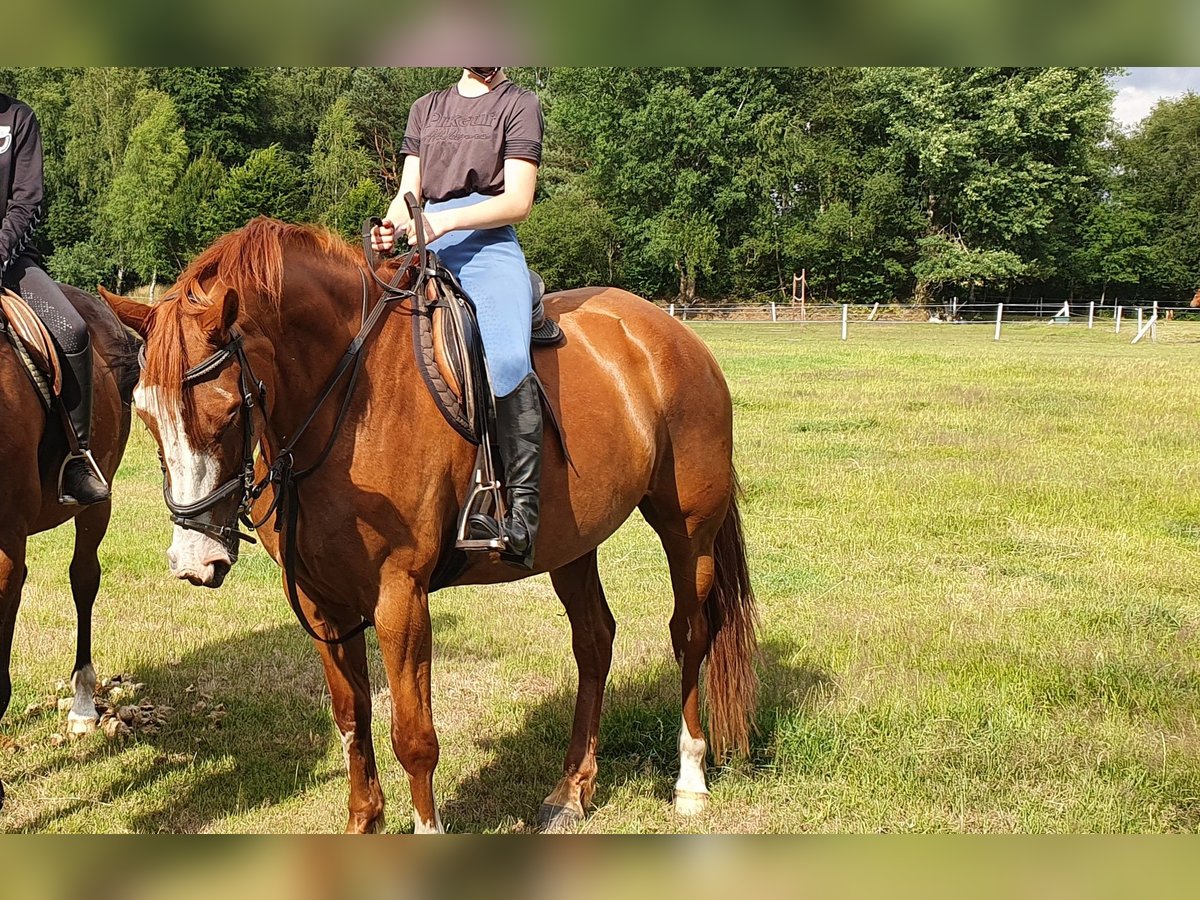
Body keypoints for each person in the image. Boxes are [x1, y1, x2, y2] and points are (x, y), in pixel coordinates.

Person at [371, 67, 543, 570]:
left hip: (488, 246)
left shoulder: (519, 103)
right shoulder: (426, 107)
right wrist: (391, 225)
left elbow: (518, 200)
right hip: (425, 243)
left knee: (508, 357)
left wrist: (444, 219)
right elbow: (409, 192)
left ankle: (522, 514)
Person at [0, 92, 109, 505]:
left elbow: (26, 200)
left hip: (11, 261)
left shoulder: (18, 119)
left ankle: (76, 461)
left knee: (73, 330)